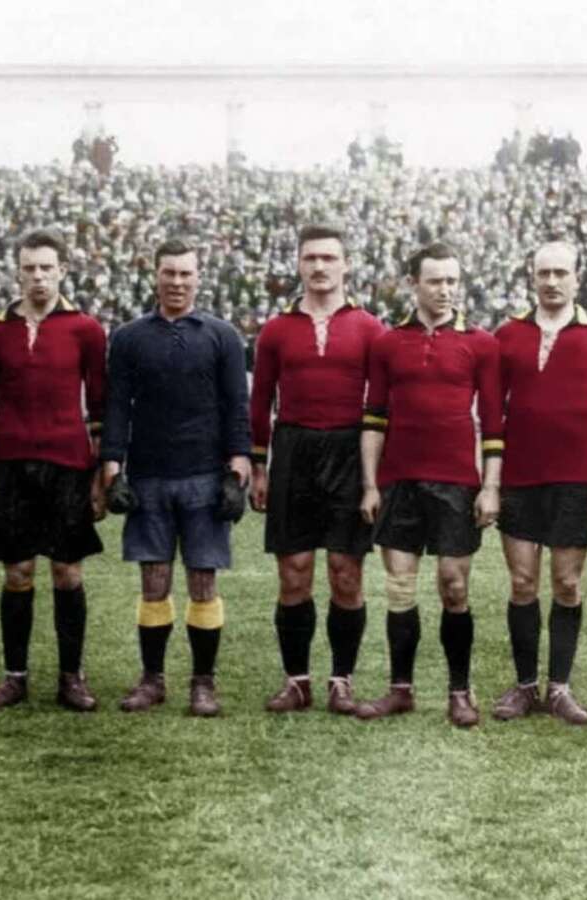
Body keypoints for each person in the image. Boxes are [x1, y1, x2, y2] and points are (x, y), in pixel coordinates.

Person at [101, 237, 250, 716]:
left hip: (204, 476)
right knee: (154, 579)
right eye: (170, 273)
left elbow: (236, 406)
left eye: (186, 273)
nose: (178, 282)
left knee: (203, 580)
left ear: (198, 277)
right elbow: (117, 407)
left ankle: (203, 683)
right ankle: (152, 678)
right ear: (156, 275)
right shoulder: (128, 337)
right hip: (149, 477)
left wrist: (238, 464)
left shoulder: (222, 335)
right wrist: (112, 466)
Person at [357, 241, 503, 728]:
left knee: (453, 587)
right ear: (412, 283)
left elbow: (495, 424)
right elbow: (373, 417)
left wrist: (490, 487)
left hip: (457, 484)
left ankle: (460, 692)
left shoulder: (481, 343)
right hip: (398, 481)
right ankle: (400, 690)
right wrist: (370, 485)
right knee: (400, 589)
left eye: (451, 281)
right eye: (435, 281)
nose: (444, 290)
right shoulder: (386, 342)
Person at [249, 224, 385, 715]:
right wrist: (259, 467)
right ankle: (297, 680)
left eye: (329, 257)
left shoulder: (370, 328)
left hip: (350, 452)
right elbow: (260, 399)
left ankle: (341, 680)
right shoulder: (276, 329)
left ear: (346, 264)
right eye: (311, 258)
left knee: (346, 572)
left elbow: (383, 405)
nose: (320, 267)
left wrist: (375, 477)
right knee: (295, 572)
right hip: (294, 450)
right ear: (299, 264)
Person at [491, 240, 587, 725]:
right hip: (520, 480)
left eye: (560, 273)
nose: (551, 281)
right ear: (532, 276)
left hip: (575, 482)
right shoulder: (508, 334)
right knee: (523, 581)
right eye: (543, 272)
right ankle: (526, 686)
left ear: (577, 277)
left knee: (567, 583)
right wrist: (490, 480)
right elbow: (491, 414)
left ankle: (560, 688)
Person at [0, 227, 107, 713]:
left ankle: (71, 677)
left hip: (68, 464)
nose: (37, 276)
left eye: (46, 268)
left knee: (67, 572)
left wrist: (97, 475)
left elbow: (98, 407)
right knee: (17, 572)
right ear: (18, 271)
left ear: (62, 271)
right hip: (10, 465)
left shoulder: (85, 329)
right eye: (29, 268)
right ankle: (15, 677)